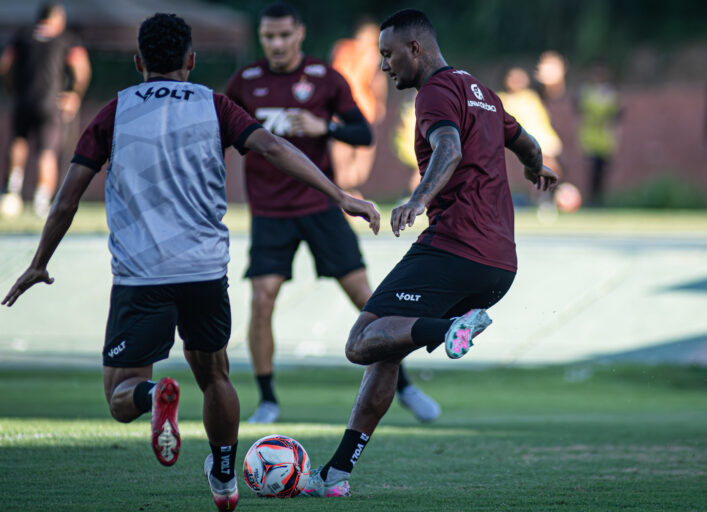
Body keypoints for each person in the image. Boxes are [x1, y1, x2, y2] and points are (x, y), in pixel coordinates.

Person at [1, 13, 379, 512]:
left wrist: (37, 262)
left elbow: (67, 198)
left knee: (120, 395)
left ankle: (155, 394)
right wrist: (339, 194)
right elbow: (271, 146)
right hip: (204, 272)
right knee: (215, 376)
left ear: (138, 63)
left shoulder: (114, 112)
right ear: (191, 61)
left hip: (141, 276)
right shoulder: (215, 104)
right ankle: (225, 478)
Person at [300, 9, 557, 497]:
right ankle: (336, 474)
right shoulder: (480, 90)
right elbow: (525, 142)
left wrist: (419, 199)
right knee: (387, 349)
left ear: (415, 49)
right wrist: (538, 169)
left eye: (388, 55)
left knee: (361, 341)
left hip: (455, 248)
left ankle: (452, 330)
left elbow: (449, 147)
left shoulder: (436, 92)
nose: (383, 67)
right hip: (499, 264)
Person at [225, 1, 440, 425]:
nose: (277, 44)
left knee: (366, 298)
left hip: (321, 206)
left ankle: (406, 386)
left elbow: (361, 131)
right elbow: (222, 132)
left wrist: (326, 128)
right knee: (262, 298)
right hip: (270, 212)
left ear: (300, 35)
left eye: (284, 35)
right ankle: (267, 400)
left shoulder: (324, 78)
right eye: (269, 36)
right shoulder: (246, 82)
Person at [0, 2, 91, 219]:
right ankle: (42, 200)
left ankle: (12, 189)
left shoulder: (21, 36)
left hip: (23, 100)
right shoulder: (66, 39)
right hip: (51, 103)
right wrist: (74, 94)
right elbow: (81, 68)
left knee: (18, 142)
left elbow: (5, 65)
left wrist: (11, 89)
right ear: (58, 19)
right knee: (47, 152)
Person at [329, 18, 388, 192]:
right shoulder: (370, 52)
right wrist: (380, 103)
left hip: (343, 108)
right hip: (362, 108)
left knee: (342, 151)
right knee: (360, 152)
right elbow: (378, 79)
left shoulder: (341, 48)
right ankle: (347, 190)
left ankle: (345, 190)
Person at [577, 63, 621, 206]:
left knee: (603, 171)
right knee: (591, 170)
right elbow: (580, 111)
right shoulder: (587, 92)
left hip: (605, 138)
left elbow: (616, 115)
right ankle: (591, 199)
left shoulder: (611, 94)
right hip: (590, 136)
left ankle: (599, 199)